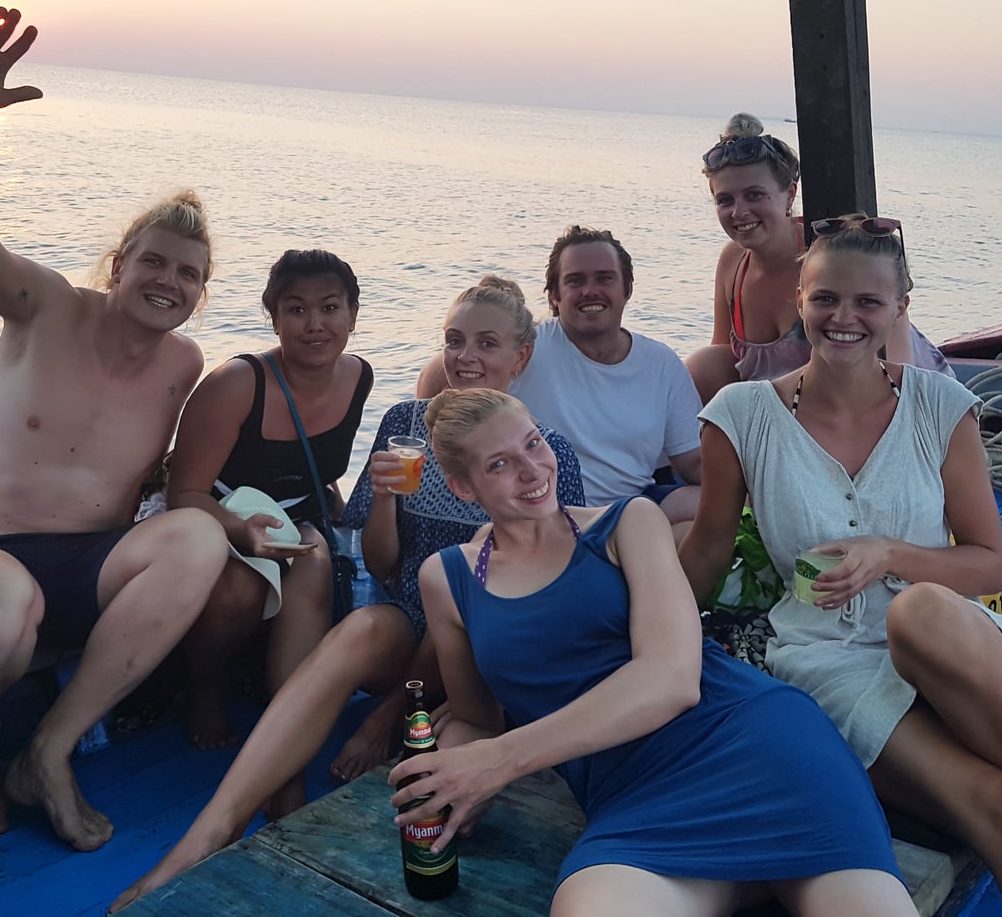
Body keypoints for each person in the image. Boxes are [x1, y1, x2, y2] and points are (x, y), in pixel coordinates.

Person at [682, 217, 1002, 917]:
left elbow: (991, 567)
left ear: (900, 309)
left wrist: (890, 554)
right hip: (827, 658)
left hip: (957, 645)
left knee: (917, 606)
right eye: (826, 298)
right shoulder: (741, 415)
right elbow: (710, 549)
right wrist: (632, 626)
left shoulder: (940, 405)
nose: (845, 317)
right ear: (799, 302)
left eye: (868, 302)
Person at [112, 277, 586, 912]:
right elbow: (385, 564)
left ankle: (389, 727)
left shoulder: (543, 454)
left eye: (487, 343)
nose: (466, 357)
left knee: (444, 815)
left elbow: (543, 593)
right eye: (454, 341)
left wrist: (391, 715)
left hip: (486, 652)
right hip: (409, 623)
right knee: (364, 627)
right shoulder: (406, 424)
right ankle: (209, 834)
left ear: (520, 356)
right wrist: (388, 496)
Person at [389, 387, 913, 916]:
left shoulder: (627, 524)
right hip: (634, 799)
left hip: (755, 745)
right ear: (461, 486)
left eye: (533, 443)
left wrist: (498, 762)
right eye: (500, 463)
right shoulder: (449, 579)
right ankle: (753, 884)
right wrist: (449, 782)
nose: (531, 470)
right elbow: (478, 721)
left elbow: (672, 679)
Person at [0, 7, 229, 851]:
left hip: (92, 566)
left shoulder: (183, 364)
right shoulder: (43, 304)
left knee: (195, 538)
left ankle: (47, 749)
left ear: (201, 292)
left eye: (188, 274)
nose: (168, 280)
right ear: (119, 264)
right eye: (153, 261)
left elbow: (167, 475)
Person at [168, 249, 373, 753]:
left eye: (330, 308)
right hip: (216, 511)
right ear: (274, 316)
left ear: (352, 314)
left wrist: (338, 520)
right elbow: (183, 493)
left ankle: (286, 727)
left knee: (316, 559)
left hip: (296, 513)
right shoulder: (237, 385)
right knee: (240, 586)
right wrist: (241, 532)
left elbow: (320, 472)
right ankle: (205, 687)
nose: (314, 324)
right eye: (296, 309)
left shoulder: (358, 377)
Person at [415, 225, 702, 525]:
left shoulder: (662, 364)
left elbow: (691, 461)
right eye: (575, 281)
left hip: (629, 509)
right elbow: (449, 370)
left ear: (626, 289)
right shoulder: (527, 348)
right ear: (554, 296)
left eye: (604, 278)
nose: (590, 290)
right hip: (543, 509)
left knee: (711, 506)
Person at [684, 113, 953, 404]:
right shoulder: (733, 261)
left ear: (789, 194)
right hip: (784, 406)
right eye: (725, 200)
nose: (739, 212)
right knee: (703, 363)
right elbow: (722, 356)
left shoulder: (829, 255)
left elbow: (898, 368)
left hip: (874, 400)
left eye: (754, 195)